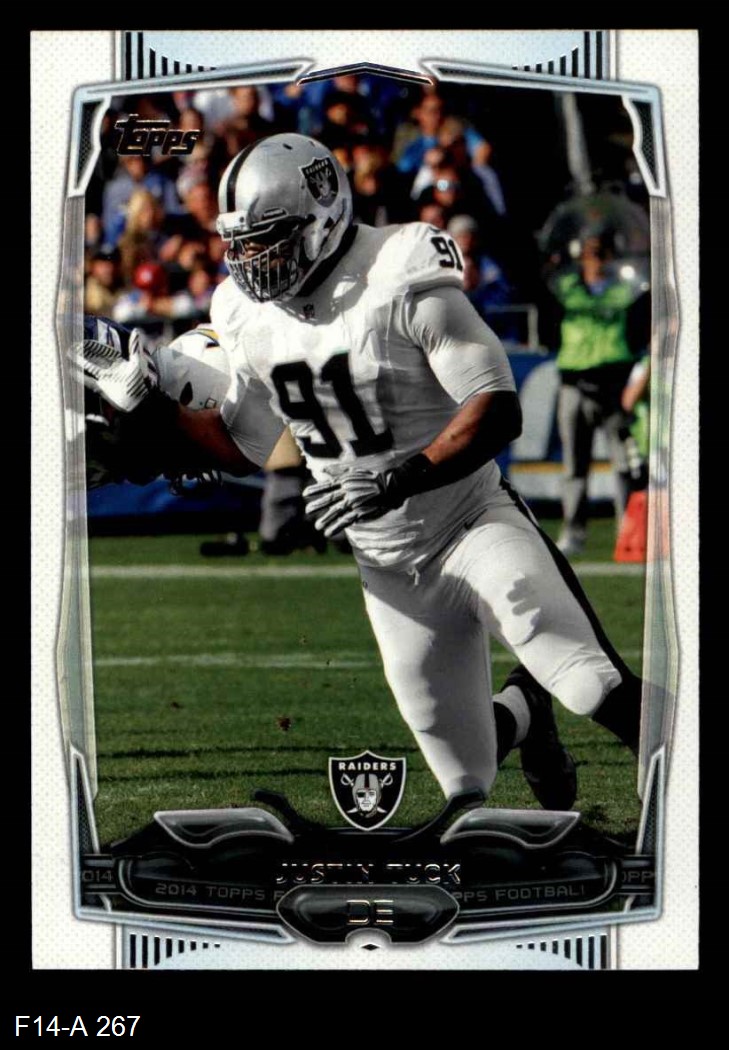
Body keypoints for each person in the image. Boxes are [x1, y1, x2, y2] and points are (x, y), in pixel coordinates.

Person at [78, 135, 643, 813]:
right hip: (387, 564)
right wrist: (152, 413)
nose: (251, 260)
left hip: (470, 522)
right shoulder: (242, 311)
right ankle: (524, 710)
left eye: (267, 239)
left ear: (322, 215)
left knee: (588, 683)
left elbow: (496, 408)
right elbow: (239, 445)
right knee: (466, 780)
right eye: (240, 243)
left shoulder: (398, 269)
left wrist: (396, 479)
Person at [553, 230, 649, 556]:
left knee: (622, 464)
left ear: (609, 257)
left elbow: (638, 326)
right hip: (574, 384)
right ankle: (573, 533)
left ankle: (627, 533)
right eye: (589, 253)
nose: (594, 260)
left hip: (614, 385)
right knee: (574, 467)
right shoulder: (566, 289)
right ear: (580, 257)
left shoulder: (626, 290)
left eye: (600, 253)